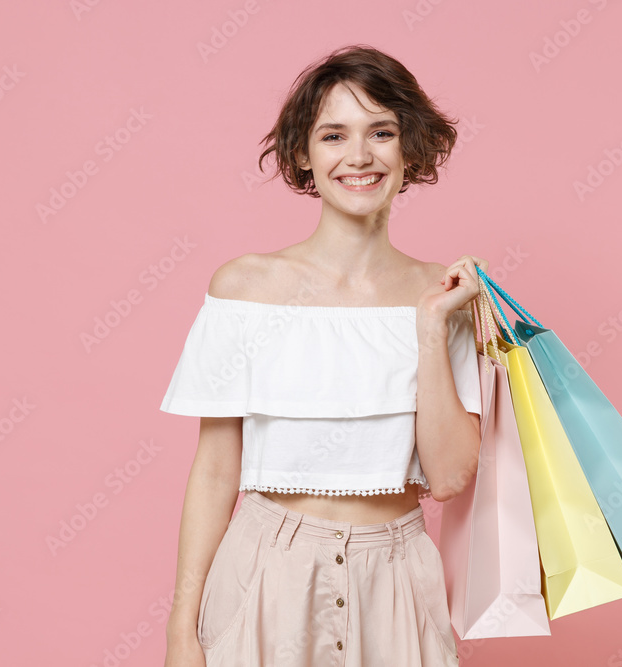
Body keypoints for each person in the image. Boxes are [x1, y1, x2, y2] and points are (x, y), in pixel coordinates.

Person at [161, 44, 488, 667]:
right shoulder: (245, 287)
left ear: (410, 148)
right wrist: (183, 626)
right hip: (264, 571)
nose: (359, 156)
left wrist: (427, 328)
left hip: (398, 575)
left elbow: (447, 478)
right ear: (303, 155)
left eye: (382, 132)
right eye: (334, 135)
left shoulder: (445, 299)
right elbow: (214, 469)